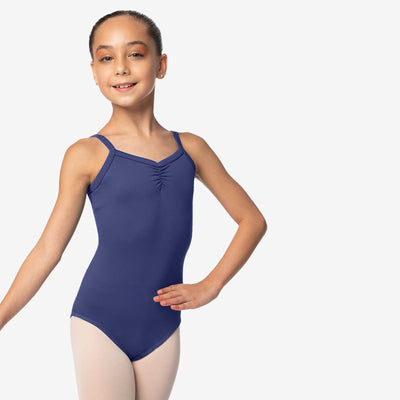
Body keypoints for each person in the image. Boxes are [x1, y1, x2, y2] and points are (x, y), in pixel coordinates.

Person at [0, 9, 267, 400]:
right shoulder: (85, 154)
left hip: (163, 324)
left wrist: (212, 285)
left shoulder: (192, 148)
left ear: (161, 64)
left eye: (136, 54)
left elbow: (252, 220)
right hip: (100, 320)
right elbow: (47, 250)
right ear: (94, 72)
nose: (121, 68)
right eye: (107, 57)